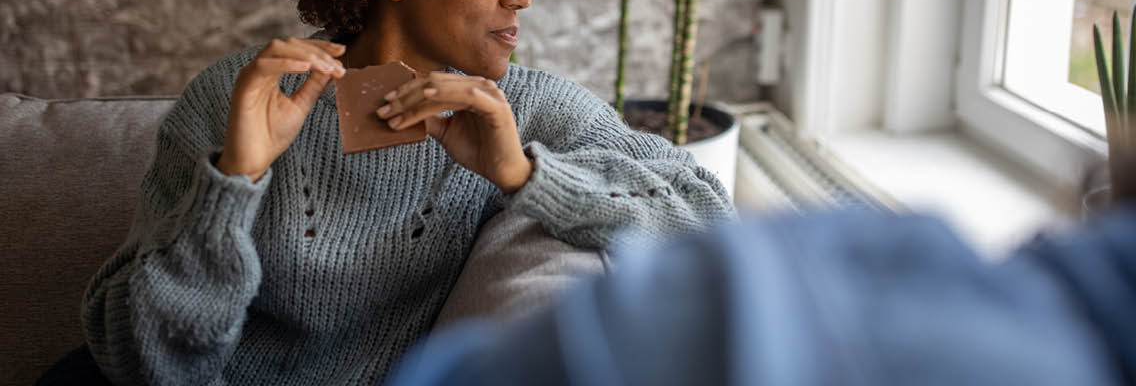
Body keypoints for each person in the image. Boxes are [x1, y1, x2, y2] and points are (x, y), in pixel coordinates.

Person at [74, 0, 734, 386]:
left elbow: (710, 221)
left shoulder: (519, 111)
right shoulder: (234, 96)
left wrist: (527, 177)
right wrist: (235, 177)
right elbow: (138, 358)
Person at [387, 206, 1136, 386]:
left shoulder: (533, 98)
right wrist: (258, 173)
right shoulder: (278, 93)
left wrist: (524, 168)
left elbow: (688, 196)